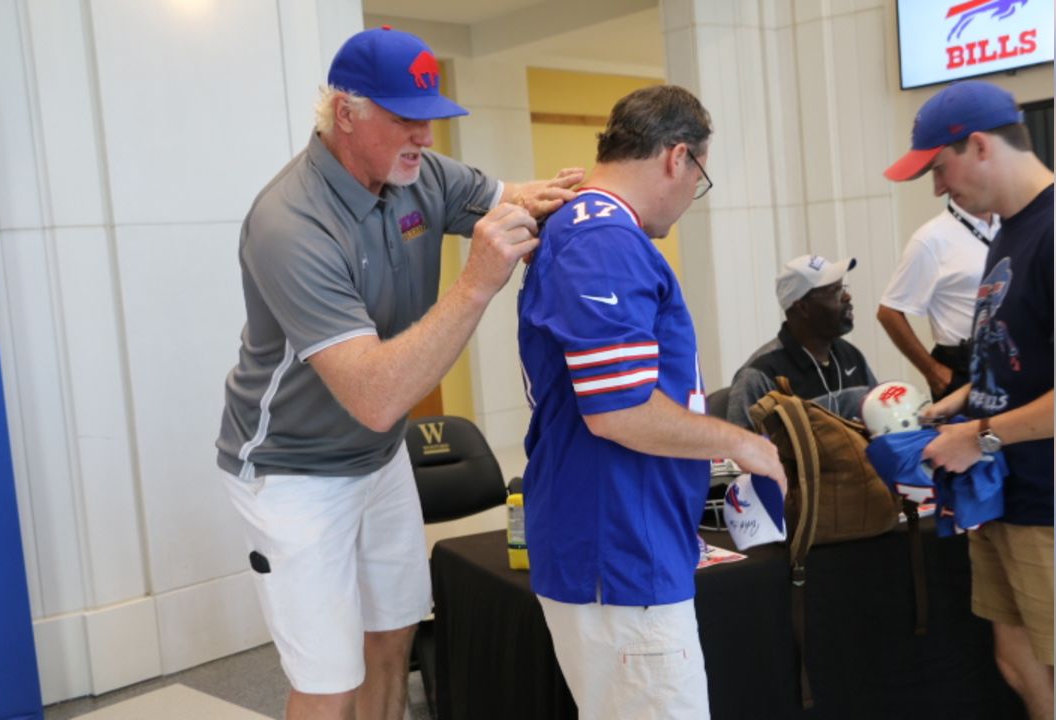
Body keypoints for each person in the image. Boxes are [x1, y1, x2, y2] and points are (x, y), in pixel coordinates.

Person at [214, 27, 583, 720]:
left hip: (376, 459)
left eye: (431, 119)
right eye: (406, 119)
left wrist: (601, 197)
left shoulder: (421, 175)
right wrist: (475, 283)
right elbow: (376, 397)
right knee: (329, 680)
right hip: (294, 471)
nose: (426, 137)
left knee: (391, 639)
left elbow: (523, 199)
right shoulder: (290, 222)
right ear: (345, 113)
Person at [517, 85, 787, 720]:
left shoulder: (592, 230)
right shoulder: (604, 240)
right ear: (678, 157)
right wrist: (741, 441)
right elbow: (621, 409)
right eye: (702, 177)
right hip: (618, 549)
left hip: (623, 539)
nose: (694, 195)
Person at [884, 80, 1054, 720]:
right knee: (1017, 660)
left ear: (979, 146)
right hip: (1009, 494)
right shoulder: (1010, 231)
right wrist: (961, 402)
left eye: (938, 167)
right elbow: (1026, 352)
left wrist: (980, 435)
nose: (935, 188)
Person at [723, 254, 877, 428]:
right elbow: (740, 450)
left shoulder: (852, 356)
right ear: (803, 307)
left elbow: (877, 421)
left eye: (843, 288)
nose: (847, 297)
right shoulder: (759, 375)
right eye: (835, 291)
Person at [877, 198, 999, 400]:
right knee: (975, 433)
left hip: (1010, 359)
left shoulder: (1009, 224)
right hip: (963, 367)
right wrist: (933, 372)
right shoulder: (931, 239)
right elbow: (888, 312)